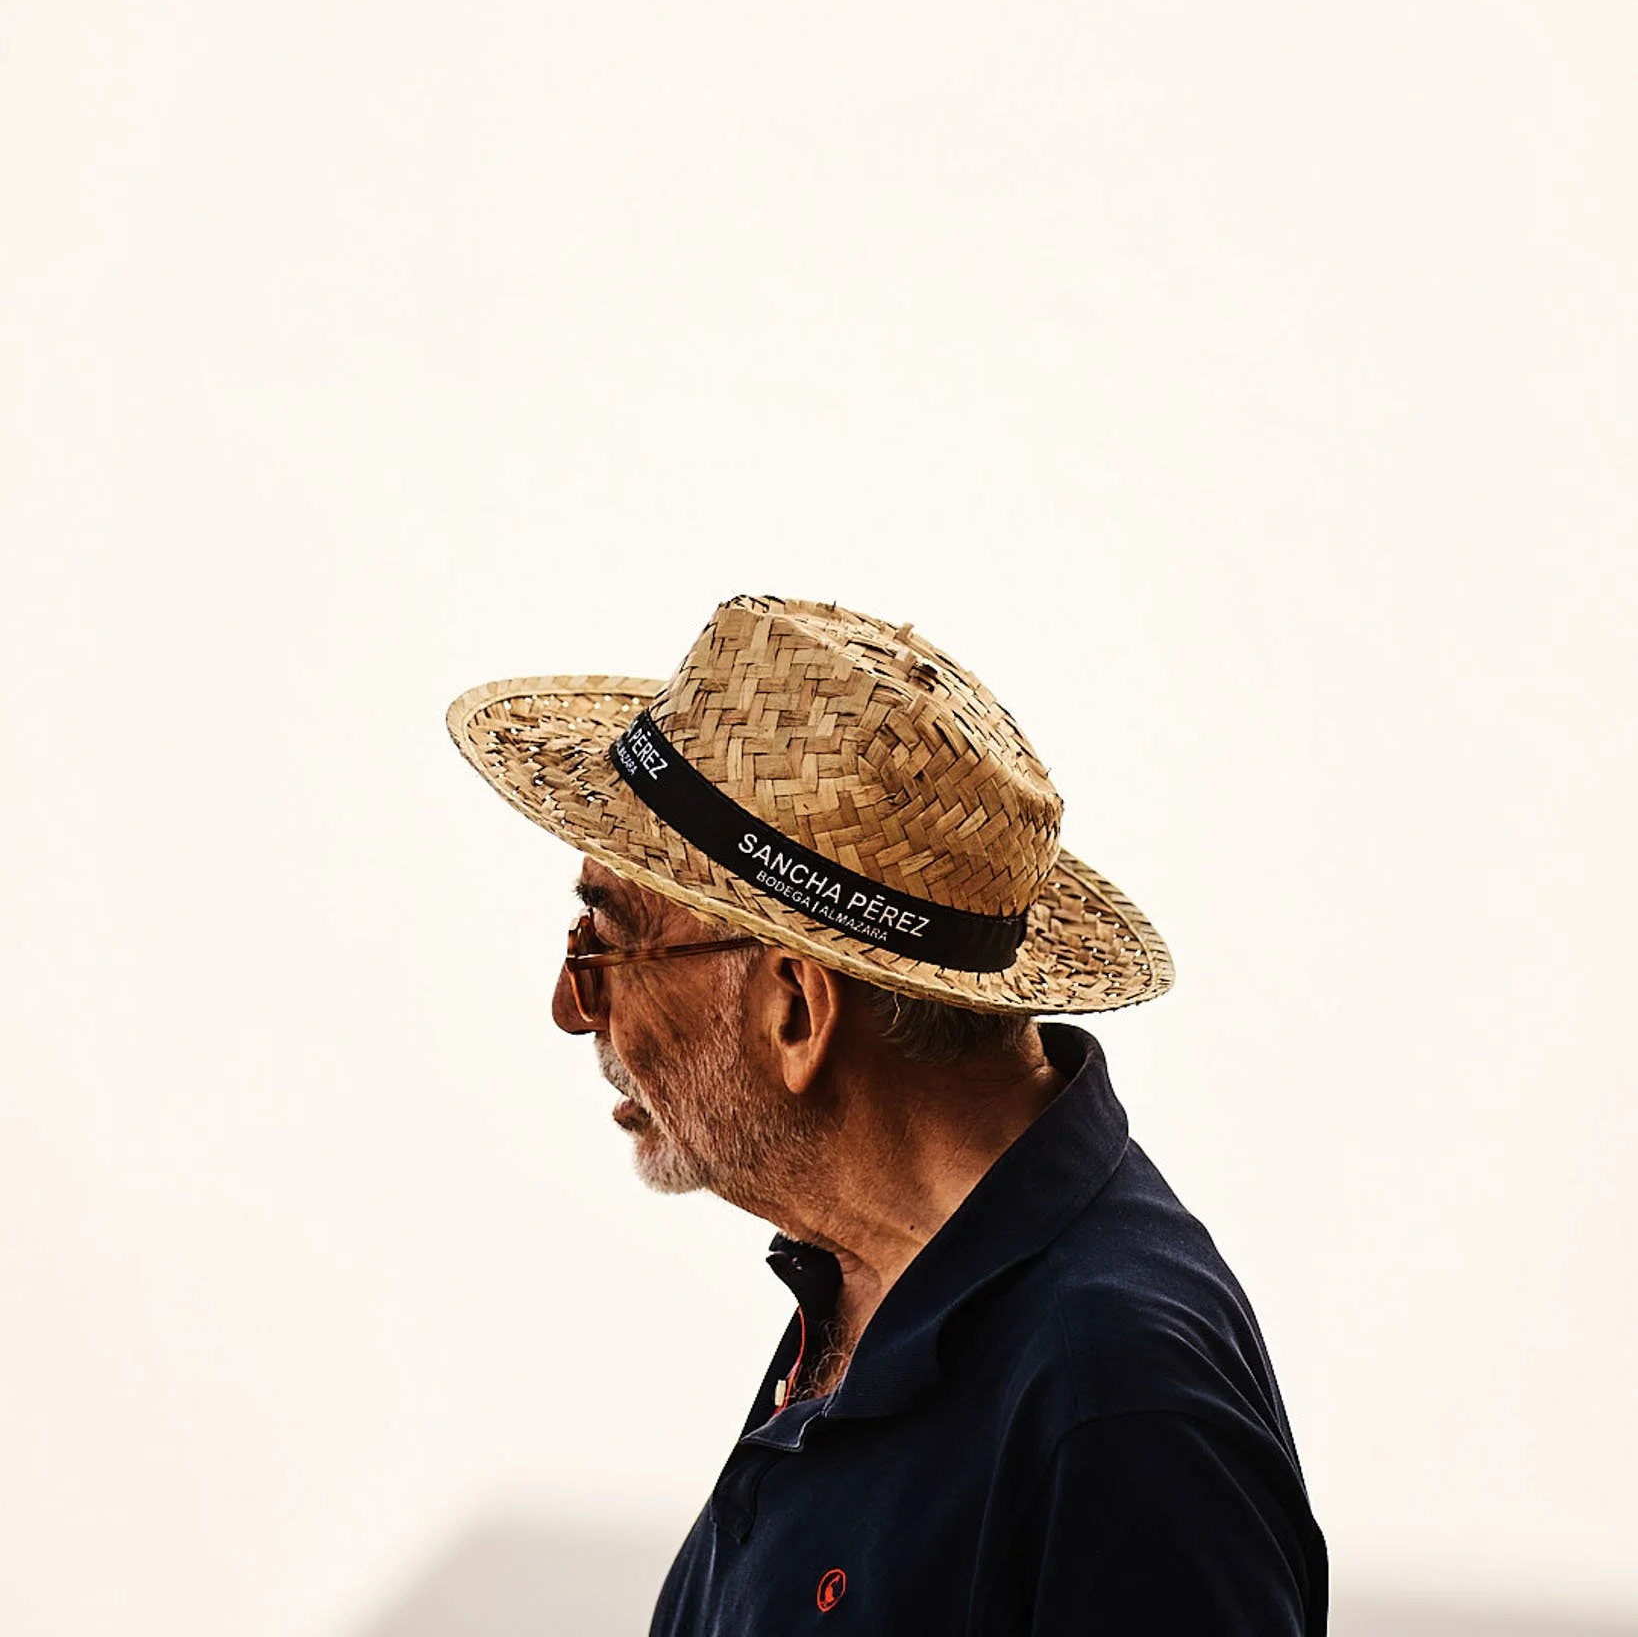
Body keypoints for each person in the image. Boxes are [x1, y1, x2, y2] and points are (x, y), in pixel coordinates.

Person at [447, 594, 1328, 1634]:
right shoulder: (876, 1283)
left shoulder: (1114, 1403)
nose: (572, 1003)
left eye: (604, 939)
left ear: (795, 1009)